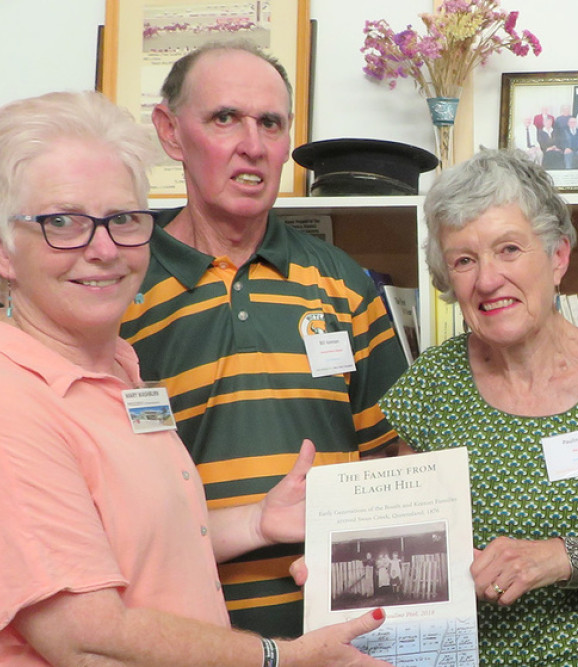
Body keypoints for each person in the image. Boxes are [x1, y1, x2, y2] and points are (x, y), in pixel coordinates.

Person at [0, 89, 390, 667]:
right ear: (5, 252)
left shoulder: (119, 369)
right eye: (63, 222)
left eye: (125, 219)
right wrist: (280, 659)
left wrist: (258, 521)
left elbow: (140, 536)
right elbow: (86, 640)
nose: (103, 249)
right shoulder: (14, 403)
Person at [118, 42, 408, 638]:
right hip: (184, 636)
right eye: (225, 118)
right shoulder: (117, 291)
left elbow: (391, 462)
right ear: (171, 133)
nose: (252, 144)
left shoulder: (343, 283)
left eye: (270, 123)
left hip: (339, 635)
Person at [380, 149, 578, 666]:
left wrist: (571, 560)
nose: (487, 279)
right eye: (463, 259)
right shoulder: (427, 390)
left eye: (508, 249)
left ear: (558, 256)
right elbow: (406, 566)